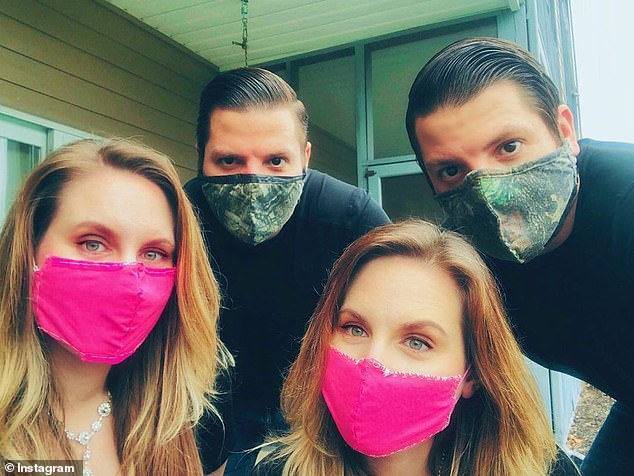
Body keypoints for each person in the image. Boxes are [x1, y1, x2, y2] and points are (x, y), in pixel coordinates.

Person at [406, 37, 634, 475]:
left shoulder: (626, 208)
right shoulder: (464, 258)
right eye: (451, 170)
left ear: (564, 131)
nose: (488, 191)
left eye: (508, 147)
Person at [239, 220, 579, 476]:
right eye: (354, 328)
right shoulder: (272, 470)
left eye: (417, 342)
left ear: (472, 375)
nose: (372, 361)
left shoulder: (543, 469)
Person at [184, 67, 390, 470]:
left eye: (276, 160)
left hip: (319, 411)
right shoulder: (179, 220)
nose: (254, 180)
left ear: (305, 157)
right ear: (200, 156)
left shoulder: (349, 218)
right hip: (214, 409)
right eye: (229, 160)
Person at [0, 139, 232, 475]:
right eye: (93, 243)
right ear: (28, 249)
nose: (129, 277)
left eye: (153, 253)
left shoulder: (194, 420)